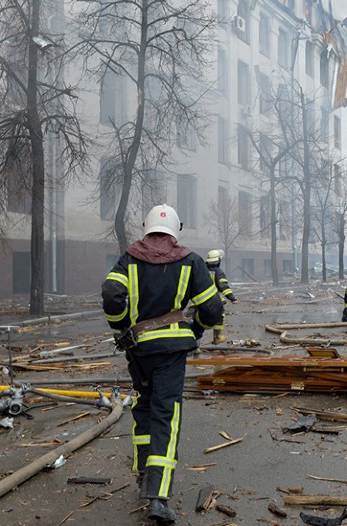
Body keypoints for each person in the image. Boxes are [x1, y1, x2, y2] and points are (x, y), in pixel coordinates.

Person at [101, 204, 223, 525]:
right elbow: (212, 309)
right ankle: (158, 495)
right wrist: (194, 331)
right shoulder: (191, 261)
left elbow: (112, 293)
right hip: (171, 353)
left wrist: (121, 326)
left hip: (138, 351)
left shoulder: (130, 258)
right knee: (166, 415)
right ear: (176, 229)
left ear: (146, 226)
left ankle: (144, 473)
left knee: (143, 408)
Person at [205, 249, 239, 344]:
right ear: (218, 261)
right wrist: (232, 298)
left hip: (201, 300)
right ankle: (217, 337)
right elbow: (223, 286)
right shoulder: (218, 272)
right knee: (220, 317)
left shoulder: (202, 269)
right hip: (215, 300)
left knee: (199, 320)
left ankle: (195, 345)